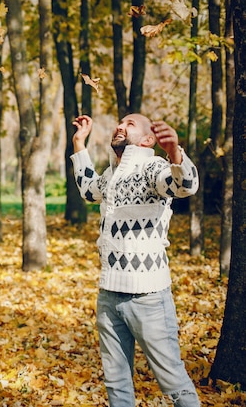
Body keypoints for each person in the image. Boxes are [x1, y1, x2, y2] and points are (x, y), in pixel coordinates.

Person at [70, 114, 201, 407]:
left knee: (173, 381)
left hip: (149, 297)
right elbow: (88, 189)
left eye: (129, 124)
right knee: (116, 384)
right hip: (109, 295)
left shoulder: (153, 167)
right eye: (120, 122)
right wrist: (79, 143)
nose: (120, 126)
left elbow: (185, 185)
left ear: (147, 139)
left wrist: (174, 152)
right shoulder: (111, 174)